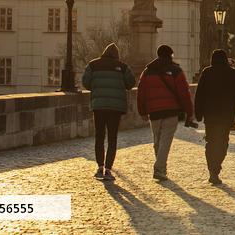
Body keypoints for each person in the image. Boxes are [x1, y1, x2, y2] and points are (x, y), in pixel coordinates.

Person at [137, 44, 195, 182]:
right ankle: (159, 168)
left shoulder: (147, 71)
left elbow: (141, 92)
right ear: (170, 55)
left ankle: (161, 168)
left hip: (154, 112)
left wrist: (142, 111)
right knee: (165, 141)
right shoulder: (176, 70)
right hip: (170, 111)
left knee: (157, 141)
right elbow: (184, 93)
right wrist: (189, 112)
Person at [81, 43, 135, 181]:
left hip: (98, 106)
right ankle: (108, 169)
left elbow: (85, 83)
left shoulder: (93, 65)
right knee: (112, 138)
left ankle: (99, 167)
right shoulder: (123, 67)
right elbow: (131, 84)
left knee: (99, 136)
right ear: (117, 55)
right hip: (115, 108)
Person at [194, 49, 235, 185]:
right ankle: (216, 168)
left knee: (210, 142)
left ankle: (212, 169)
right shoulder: (233, 73)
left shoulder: (207, 72)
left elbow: (199, 94)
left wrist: (198, 113)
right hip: (226, 115)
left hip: (210, 115)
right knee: (223, 142)